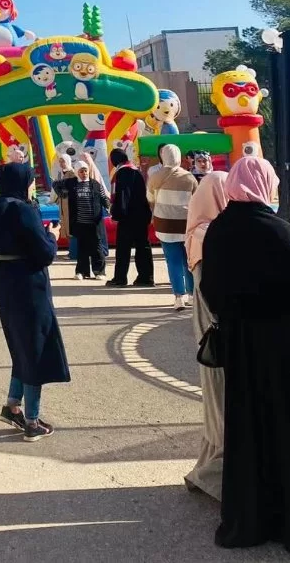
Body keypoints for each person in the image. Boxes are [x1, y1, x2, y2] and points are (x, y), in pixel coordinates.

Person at [200, 156, 290, 551]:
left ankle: (249, 520)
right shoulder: (279, 232)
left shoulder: (218, 231)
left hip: (238, 344)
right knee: (282, 425)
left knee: (246, 426)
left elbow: (210, 289)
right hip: (280, 346)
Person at [0, 162, 70, 441]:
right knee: (36, 348)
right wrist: (52, 236)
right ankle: (32, 420)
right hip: (27, 283)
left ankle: (12, 405)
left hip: (4, 279)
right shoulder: (23, 209)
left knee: (20, 345)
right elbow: (44, 252)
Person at [184, 169, 229, 500]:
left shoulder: (197, 230)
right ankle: (212, 477)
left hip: (205, 329)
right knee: (223, 405)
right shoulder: (210, 236)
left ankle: (203, 471)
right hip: (218, 329)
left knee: (215, 405)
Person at [146, 144, 197, 309]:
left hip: (164, 224)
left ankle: (178, 297)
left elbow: (150, 199)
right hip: (185, 224)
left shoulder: (155, 177)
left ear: (163, 156)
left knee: (172, 261)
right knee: (189, 260)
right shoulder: (189, 177)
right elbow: (196, 200)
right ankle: (192, 295)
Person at [53, 157, 109, 281]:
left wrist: (109, 207)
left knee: (97, 247)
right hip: (79, 222)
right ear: (77, 172)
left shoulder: (95, 184)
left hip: (94, 223)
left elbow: (103, 198)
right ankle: (82, 272)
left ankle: (99, 271)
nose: (84, 174)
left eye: (85, 171)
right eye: (81, 171)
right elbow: (55, 184)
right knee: (82, 248)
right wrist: (62, 193)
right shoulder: (71, 182)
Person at [107, 148, 154, 287]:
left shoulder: (123, 172)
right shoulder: (135, 170)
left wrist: (117, 214)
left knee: (123, 248)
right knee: (143, 247)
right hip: (142, 215)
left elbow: (123, 195)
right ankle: (146, 277)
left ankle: (120, 278)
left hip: (128, 216)